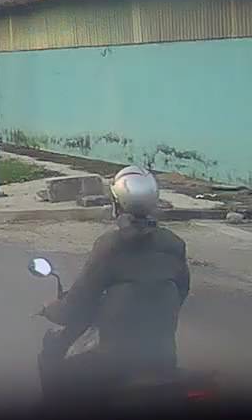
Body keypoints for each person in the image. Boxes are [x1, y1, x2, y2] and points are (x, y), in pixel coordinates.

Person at [39, 166, 190, 400]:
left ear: (117, 204)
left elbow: (78, 302)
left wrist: (51, 309)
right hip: (164, 360)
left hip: (113, 363)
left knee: (54, 362)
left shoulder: (110, 246)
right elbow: (181, 292)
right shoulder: (174, 244)